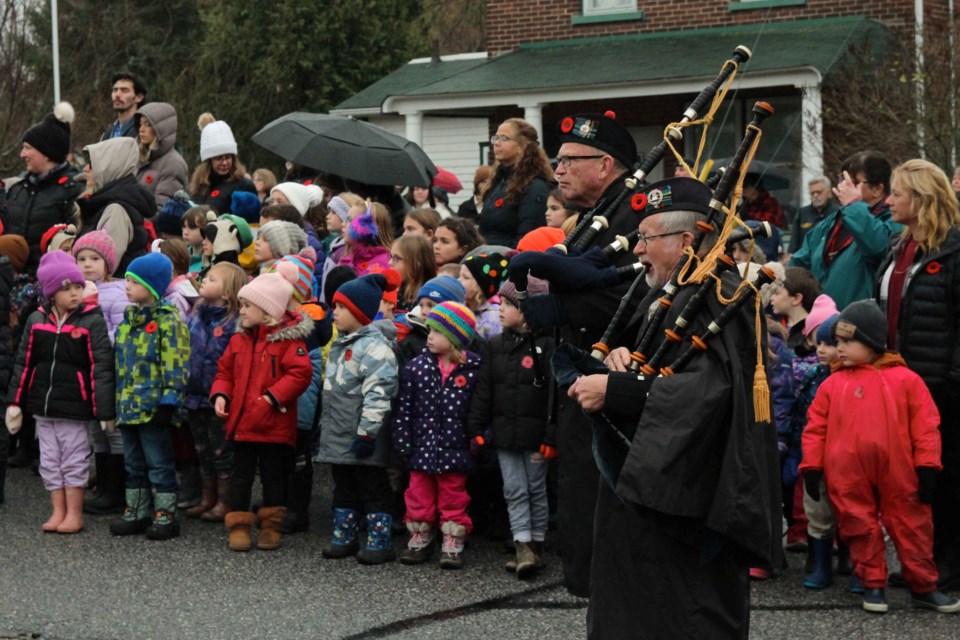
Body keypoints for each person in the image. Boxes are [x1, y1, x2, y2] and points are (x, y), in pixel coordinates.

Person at [563, 177, 781, 637]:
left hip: (688, 503)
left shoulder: (720, 297)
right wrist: (622, 368)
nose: (637, 250)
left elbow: (710, 393)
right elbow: (660, 372)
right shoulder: (671, 293)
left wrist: (616, 392)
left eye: (647, 238)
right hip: (649, 493)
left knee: (682, 615)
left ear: (686, 241)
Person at [517, 111, 644, 597]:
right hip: (577, 371)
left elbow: (633, 293)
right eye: (559, 160)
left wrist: (554, 304)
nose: (559, 171)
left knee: (606, 503)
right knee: (581, 498)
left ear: (606, 164)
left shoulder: (635, 214)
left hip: (614, 377)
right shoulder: (595, 217)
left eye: (570, 160)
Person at [800, 300, 960, 614]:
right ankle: (872, 583)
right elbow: (815, 428)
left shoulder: (907, 381)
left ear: (872, 342)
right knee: (858, 525)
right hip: (847, 472)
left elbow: (926, 426)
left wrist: (927, 464)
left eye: (848, 341)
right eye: (838, 342)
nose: (840, 348)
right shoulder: (832, 385)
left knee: (912, 525)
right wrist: (812, 466)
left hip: (899, 472)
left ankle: (924, 585)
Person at [875, 158, 960, 590]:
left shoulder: (955, 249)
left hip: (940, 387)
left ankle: (948, 562)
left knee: (944, 479)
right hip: (898, 383)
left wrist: (951, 378)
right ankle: (921, 561)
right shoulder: (898, 246)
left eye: (897, 194)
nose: (889, 201)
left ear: (922, 199)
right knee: (911, 480)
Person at [5, 251, 115, 533]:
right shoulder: (36, 320)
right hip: (43, 405)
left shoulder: (91, 320)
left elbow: (100, 366)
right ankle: (58, 511)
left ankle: (74, 514)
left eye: (78, 286)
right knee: (50, 460)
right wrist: (15, 403)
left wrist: (104, 409)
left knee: (74, 458)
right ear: (51, 292)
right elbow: (24, 362)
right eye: (66, 288)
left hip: (75, 406)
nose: (75, 293)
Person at [213, 272, 313, 552]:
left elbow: (301, 373)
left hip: (272, 423)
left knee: (273, 477)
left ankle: (270, 526)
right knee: (240, 476)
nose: (240, 311)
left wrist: (272, 397)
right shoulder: (239, 340)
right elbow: (225, 371)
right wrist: (221, 394)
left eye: (246, 306)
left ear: (267, 310)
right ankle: (240, 526)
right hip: (243, 422)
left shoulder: (288, 342)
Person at [467, 277, 556, 578]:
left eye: (508, 304)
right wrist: (476, 428)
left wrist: (551, 435)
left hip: (535, 437)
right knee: (514, 489)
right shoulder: (495, 346)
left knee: (535, 488)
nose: (500, 309)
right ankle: (522, 545)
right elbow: (484, 390)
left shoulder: (548, 345)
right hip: (505, 434)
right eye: (501, 303)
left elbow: (554, 397)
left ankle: (538, 544)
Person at [317, 273, 400, 564]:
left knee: (372, 486)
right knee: (343, 485)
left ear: (359, 312)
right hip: (340, 432)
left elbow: (379, 394)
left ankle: (380, 541)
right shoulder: (342, 343)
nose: (334, 312)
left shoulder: (375, 348)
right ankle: (345, 537)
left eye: (340, 307)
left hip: (363, 434)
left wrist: (367, 432)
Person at [392, 301, 480, 569]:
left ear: (454, 338)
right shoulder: (416, 367)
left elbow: (481, 406)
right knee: (418, 492)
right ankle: (420, 534)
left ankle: (452, 539)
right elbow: (404, 407)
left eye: (437, 332)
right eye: (429, 330)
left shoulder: (473, 369)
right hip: (422, 445)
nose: (429, 336)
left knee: (453, 494)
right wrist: (403, 440)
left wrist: (479, 437)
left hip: (455, 447)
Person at [110, 253, 189, 540]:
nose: (127, 286)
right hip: (128, 405)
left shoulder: (168, 322)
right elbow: (119, 365)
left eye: (134, 282)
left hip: (153, 406)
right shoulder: (127, 323)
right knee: (132, 462)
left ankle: (166, 513)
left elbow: (175, 362)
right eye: (127, 280)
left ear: (153, 287)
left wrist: (170, 397)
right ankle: (137, 510)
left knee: (159, 461)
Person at [790, 151, 901, 309]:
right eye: (843, 181)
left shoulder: (894, 219)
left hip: (860, 326)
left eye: (853, 182)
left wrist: (853, 205)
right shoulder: (830, 223)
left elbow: (880, 248)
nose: (844, 187)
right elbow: (799, 264)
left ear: (877, 189)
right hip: (822, 323)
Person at [70, 230, 130, 514]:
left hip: (109, 371)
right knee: (96, 430)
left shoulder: (116, 294)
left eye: (94, 258)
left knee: (112, 429)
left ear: (108, 263)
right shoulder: (75, 294)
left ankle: (116, 491)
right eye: (81, 258)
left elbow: (121, 334)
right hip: (86, 373)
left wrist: (94, 334)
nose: (87, 264)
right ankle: (103, 485)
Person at [183, 262, 245, 523]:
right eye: (205, 277)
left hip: (217, 397)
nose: (204, 281)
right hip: (193, 393)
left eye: (211, 279)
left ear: (227, 293)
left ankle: (224, 500)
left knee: (221, 451)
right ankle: (207, 497)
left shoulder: (234, 323)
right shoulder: (197, 314)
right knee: (202, 449)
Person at [1, 103, 83, 272]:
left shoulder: (73, 190)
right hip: (13, 282)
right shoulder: (18, 189)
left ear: (46, 153)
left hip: (54, 283)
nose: (22, 154)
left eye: (27, 148)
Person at [796, 314, 842, 590]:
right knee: (817, 512)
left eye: (831, 343)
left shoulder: (850, 378)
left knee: (851, 513)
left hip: (844, 457)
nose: (822, 349)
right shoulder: (814, 375)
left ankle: (854, 564)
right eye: (820, 342)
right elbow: (802, 415)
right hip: (814, 455)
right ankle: (821, 565)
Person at [75, 137, 154, 276]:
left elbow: (102, 271)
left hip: (108, 294)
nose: (85, 168)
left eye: (92, 164)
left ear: (110, 168)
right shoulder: (106, 204)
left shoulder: (116, 211)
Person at [479, 118, 553, 247]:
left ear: (522, 146)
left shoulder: (534, 187)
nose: (496, 143)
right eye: (495, 138)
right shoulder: (497, 182)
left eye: (504, 138)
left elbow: (528, 236)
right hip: (486, 256)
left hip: (510, 260)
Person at [189, 118, 256, 214]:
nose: (224, 163)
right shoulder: (200, 186)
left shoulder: (244, 186)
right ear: (209, 161)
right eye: (219, 158)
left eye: (228, 157)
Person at [134, 102, 189, 210]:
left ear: (162, 129)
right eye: (141, 124)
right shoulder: (138, 157)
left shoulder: (173, 164)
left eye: (148, 124)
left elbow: (162, 210)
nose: (141, 129)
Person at [459, 252, 509, 340]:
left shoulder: (494, 317)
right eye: (459, 276)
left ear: (481, 286)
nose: (458, 280)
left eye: (465, 277)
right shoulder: (460, 305)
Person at [787, 177, 839, 255]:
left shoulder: (838, 212)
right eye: (812, 193)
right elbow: (794, 243)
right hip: (805, 261)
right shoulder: (802, 213)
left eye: (819, 192)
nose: (815, 195)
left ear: (829, 193)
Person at [390, 235, 436, 312]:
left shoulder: (425, 300)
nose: (390, 263)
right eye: (391, 257)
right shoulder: (388, 291)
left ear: (416, 264)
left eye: (396, 258)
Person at [101, 72, 146, 140]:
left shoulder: (142, 130)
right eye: (115, 90)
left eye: (124, 90)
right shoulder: (108, 133)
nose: (117, 94)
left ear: (139, 97)